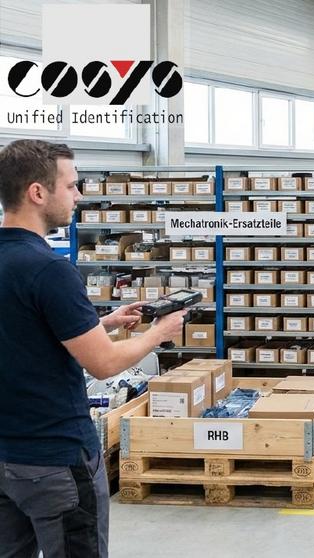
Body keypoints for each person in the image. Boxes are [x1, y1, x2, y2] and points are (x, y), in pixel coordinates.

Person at [0, 139, 186, 558]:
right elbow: (104, 363)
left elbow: (22, 331)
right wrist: (158, 333)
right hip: (54, 460)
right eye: (71, 185)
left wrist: (100, 323)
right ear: (37, 192)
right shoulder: (49, 269)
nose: (79, 196)